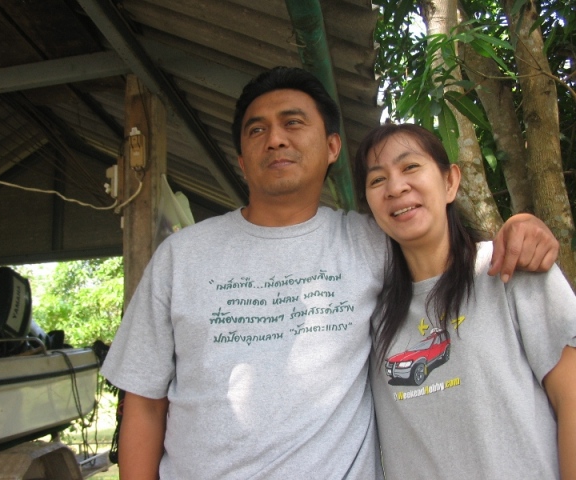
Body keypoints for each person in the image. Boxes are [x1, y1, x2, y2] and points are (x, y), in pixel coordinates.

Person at [101, 67, 559, 480]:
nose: (275, 139)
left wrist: (521, 227)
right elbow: (144, 404)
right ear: (241, 160)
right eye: (256, 130)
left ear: (332, 147)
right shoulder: (181, 257)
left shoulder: (371, 242)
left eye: (293, 123)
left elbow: (440, 244)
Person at [355, 123, 576, 480]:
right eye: (377, 179)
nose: (396, 187)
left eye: (410, 167)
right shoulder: (369, 316)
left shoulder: (510, 268)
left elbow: (571, 397)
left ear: (450, 182)